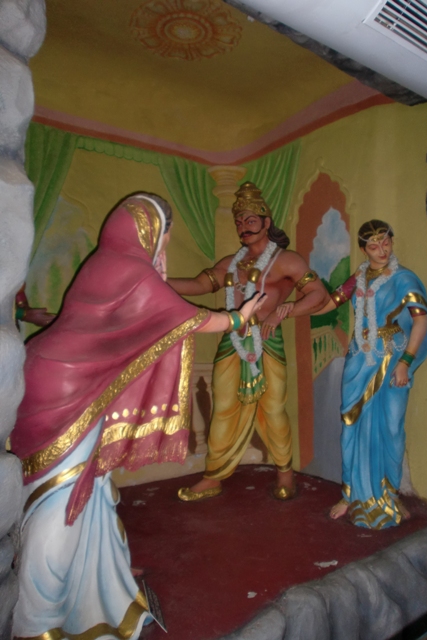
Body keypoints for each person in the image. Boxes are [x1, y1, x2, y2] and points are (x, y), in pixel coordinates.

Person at [10, 193, 264, 640]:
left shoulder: (102, 262)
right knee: (62, 500)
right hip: (70, 392)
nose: (163, 247)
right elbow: (184, 318)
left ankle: (100, 578)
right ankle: (38, 621)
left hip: (48, 376)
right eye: (165, 236)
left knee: (89, 491)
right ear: (149, 229)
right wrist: (238, 319)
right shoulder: (131, 269)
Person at [169, 182, 329, 502]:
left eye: (250, 220)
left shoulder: (287, 261)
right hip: (233, 340)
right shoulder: (231, 263)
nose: (243, 227)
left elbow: (319, 295)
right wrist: (156, 281)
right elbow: (200, 284)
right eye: (239, 222)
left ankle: (285, 474)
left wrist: (284, 312)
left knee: (273, 409)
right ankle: (213, 477)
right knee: (223, 409)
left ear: (266, 222)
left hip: (267, 341)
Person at [277, 220, 427, 529]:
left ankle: (390, 494)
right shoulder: (358, 278)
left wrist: (405, 362)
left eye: (386, 243)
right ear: (363, 249)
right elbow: (328, 303)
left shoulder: (403, 278)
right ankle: (350, 494)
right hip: (359, 358)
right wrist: (291, 309)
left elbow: (421, 321)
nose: (382, 250)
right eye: (373, 246)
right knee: (351, 423)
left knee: (391, 426)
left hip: (391, 359)